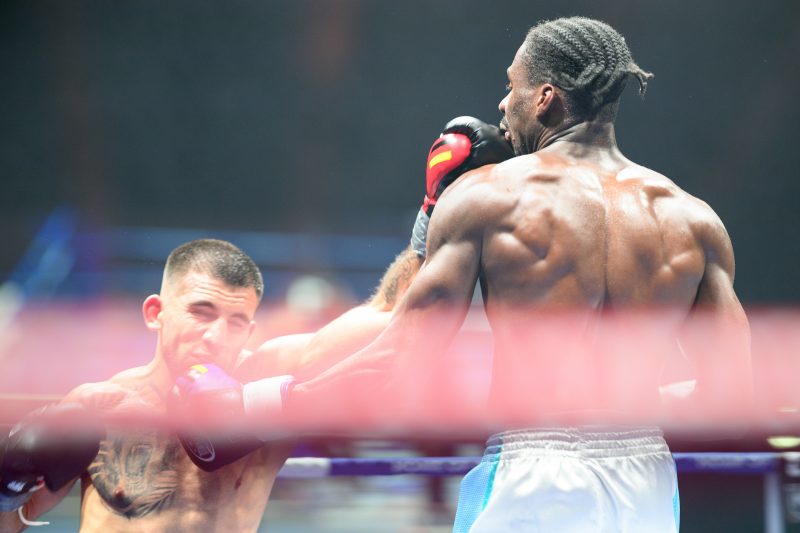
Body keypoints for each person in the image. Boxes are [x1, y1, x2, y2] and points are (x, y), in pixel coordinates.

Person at [181, 17, 753, 532]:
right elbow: (732, 389)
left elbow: (403, 352)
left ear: (546, 98)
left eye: (512, 86)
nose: (502, 105)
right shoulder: (693, 219)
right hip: (646, 484)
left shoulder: (490, 197)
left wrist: (253, 411)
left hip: (534, 475)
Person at [0, 238, 425, 531]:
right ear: (155, 312)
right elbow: (14, 521)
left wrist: (437, 206)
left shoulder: (264, 380)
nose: (218, 335)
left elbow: (390, 312)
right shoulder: (99, 406)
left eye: (236, 321)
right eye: (202, 312)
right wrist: (9, 484)